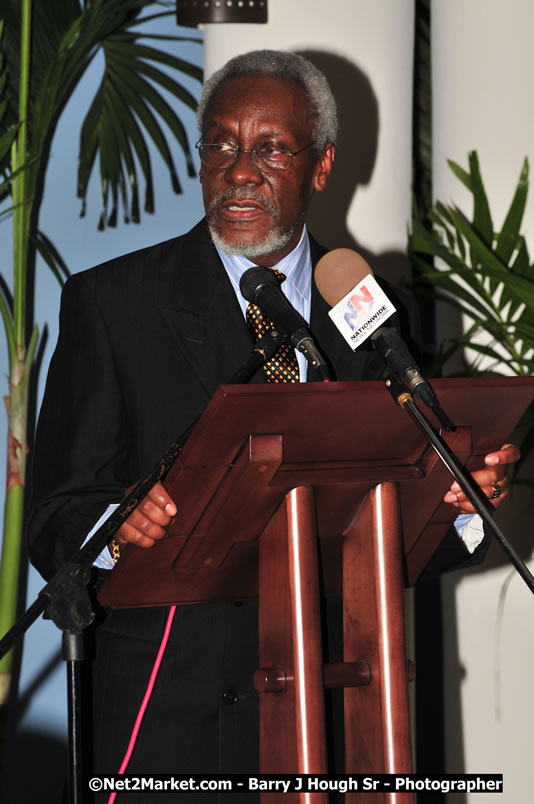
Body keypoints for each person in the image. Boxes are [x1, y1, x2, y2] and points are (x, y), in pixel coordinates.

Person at [25, 50, 518, 798]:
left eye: (270, 148)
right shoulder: (115, 304)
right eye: (221, 145)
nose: (240, 169)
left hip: (335, 710)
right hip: (166, 718)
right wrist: (117, 525)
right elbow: (55, 517)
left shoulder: (374, 311)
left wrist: (459, 507)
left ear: (320, 167)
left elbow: (393, 532)